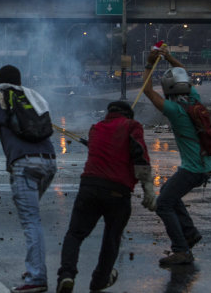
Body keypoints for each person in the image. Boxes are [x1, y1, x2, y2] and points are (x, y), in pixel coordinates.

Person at [0, 65, 57, 293]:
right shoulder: (32, 96)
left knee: (31, 221)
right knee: (32, 216)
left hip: (24, 164)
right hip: (49, 162)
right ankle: (33, 268)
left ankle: (37, 278)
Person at [55, 101, 155, 293]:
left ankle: (66, 275)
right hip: (118, 191)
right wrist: (148, 188)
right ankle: (99, 281)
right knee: (111, 237)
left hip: (90, 187)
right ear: (128, 115)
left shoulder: (96, 128)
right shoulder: (132, 126)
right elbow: (139, 156)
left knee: (75, 234)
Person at [142, 45, 211, 265]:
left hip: (193, 168)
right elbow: (183, 71)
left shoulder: (175, 110)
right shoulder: (193, 98)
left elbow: (147, 90)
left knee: (163, 203)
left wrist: (149, 63)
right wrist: (169, 58)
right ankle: (190, 233)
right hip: (205, 164)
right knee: (168, 193)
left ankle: (181, 250)